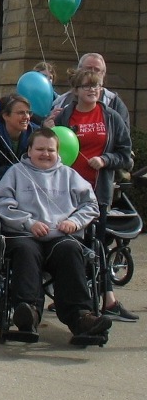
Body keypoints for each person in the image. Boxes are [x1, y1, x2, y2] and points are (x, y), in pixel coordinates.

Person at [0, 128, 112, 346]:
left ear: (58, 152)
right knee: (26, 250)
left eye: (51, 150)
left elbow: (91, 205)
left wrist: (75, 222)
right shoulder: (16, 173)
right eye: (40, 149)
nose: (45, 154)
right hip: (25, 234)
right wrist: (28, 222)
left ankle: (81, 317)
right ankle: (29, 312)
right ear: (29, 150)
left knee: (70, 250)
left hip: (61, 237)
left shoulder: (69, 175)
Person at [48, 67, 136, 322]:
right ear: (75, 90)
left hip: (98, 194)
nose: (93, 90)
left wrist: (105, 159)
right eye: (87, 86)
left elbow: (125, 155)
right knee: (69, 246)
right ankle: (68, 297)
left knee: (97, 246)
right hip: (66, 194)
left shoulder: (110, 117)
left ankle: (108, 299)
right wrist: (47, 127)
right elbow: (46, 151)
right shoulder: (65, 116)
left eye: (96, 85)